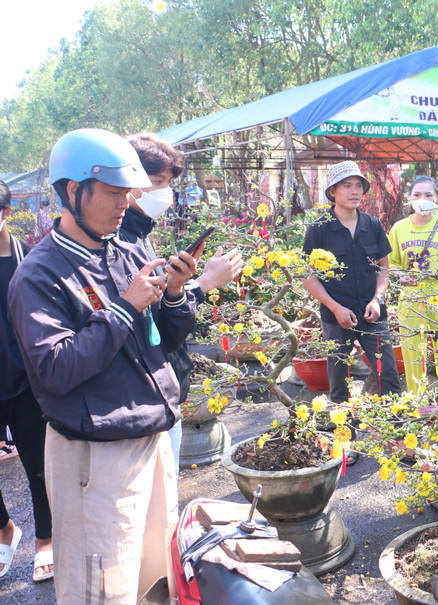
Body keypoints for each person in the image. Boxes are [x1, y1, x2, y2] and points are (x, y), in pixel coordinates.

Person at [8, 129, 199, 604]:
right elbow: (55, 369)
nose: (125, 203)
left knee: (156, 578)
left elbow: (159, 341)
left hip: (152, 440)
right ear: (74, 191)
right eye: (114, 192)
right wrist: (124, 308)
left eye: (128, 192)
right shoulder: (39, 274)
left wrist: (175, 295)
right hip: (94, 458)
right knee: (101, 590)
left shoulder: (126, 250)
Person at [120, 133, 243, 473]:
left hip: (163, 391)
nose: (166, 192)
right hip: (142, 398)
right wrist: (203, 284)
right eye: (157, 181)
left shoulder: (139, 233)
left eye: (168, 183)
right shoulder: (120, 242)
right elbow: (148, 328)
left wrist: (179, 284)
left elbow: (159, 312)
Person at [301, 161, 402, 408]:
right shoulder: (318, 229)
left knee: (388, 376)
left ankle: (394, 424)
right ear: (333, 191)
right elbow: (307, 276)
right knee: (339, 382)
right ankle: (343, 428)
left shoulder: (373, 225)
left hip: (372, 312)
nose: (354, 191)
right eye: (347, 186)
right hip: (336, 316)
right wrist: (335, 308)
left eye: (358, 185)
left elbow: (383, 269)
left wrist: (378, 299)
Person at [0, 179, 54, 583]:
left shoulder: (29, 262)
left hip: (25, 383)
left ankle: (45, 542)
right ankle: (5, 528)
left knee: (39, 468)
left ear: (4, 213)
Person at [388, 176, 438, 393]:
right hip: (411, 301)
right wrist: (400, 274)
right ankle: (417, 403)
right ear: (410, 198)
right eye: (417, 194)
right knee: (413, 355)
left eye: (428, 195)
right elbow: (390, 262)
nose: (423, 199)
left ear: (437, 198)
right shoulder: (399, 229)